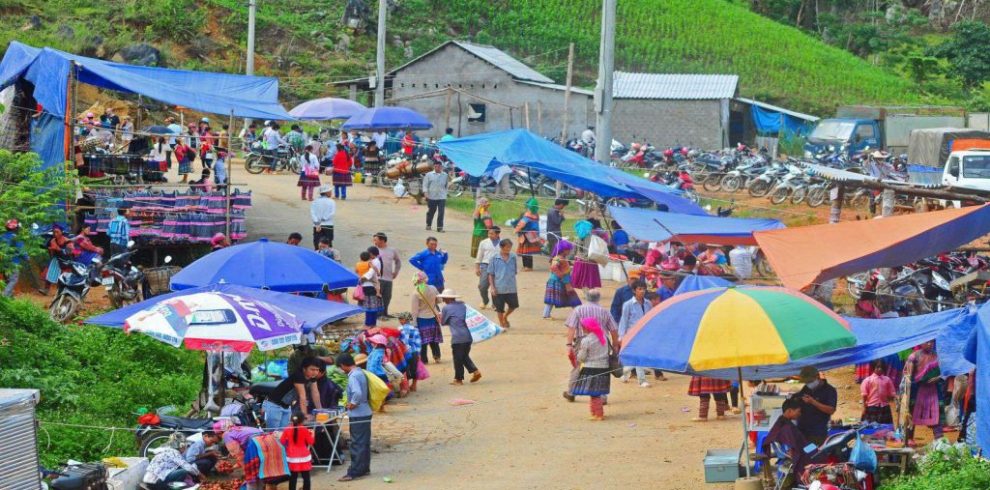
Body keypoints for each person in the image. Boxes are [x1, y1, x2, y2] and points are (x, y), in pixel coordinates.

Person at [563, 290, 619, 402]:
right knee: (602, 365)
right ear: (598, 298)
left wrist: (569, 344)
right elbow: (613, 329)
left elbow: (572, 328)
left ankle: (571, 392)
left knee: (578, 366)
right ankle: (602, 396)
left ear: (586, 297)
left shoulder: (578, 310)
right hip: (602, 341)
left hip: (582, 339)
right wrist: (615, 345)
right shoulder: (604, 311)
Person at [336, 353, 372, 482]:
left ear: (343, 365)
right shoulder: (360, 372)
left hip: (358, 413)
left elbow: (357, 392)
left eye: (340, 368)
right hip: (365, 411)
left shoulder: (353, 376)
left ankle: (354, 472)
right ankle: (364, 468)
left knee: (357, 443)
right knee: (364, 442)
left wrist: (352, 403)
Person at [264, 357, 323, 430]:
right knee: (272, 434)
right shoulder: (298, 376)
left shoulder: (312, 377)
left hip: (286, 406)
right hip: (274, 405)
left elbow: (315, 393)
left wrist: (320, 411)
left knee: (284, 434)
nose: (315, 372)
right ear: (304, 369)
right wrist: (304, 416)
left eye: (317, 370)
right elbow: (302, 396)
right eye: (312, 369)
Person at [760, 398, 810, 482]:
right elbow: (791, 450)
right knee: (820, 452)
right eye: (798, 411)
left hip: (801, 449)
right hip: (800, 452)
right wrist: (812, 448)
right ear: (790, 411)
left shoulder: (782, 422)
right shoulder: (786, 427)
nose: (800, 414)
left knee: (817, 447)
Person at [439, 288, 481, 385]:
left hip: (458, 338)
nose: (443, 301)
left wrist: (439, 317)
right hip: (468, 336)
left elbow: (443, 322)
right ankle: (475, 371)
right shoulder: (463, 305)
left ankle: (458, 379)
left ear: (447, 299)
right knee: (464, 356)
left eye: (444, 299)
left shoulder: (446, 308)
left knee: (458, 359)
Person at [904, 340, 944, 442]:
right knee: (911, 413)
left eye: (931, 342)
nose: (930, 344)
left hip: (934, 390)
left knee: (937, 414)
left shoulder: (938, 356)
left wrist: (938, 378)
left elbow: (944, 372)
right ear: (921, 342)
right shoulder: (913, 357)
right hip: (917, 391)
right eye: (927, 342)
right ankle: (909, 439)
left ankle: (939, 440)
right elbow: (907, 375)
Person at [572, 317, 611, 421]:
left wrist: (577, 354)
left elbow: (581, 357)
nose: (582, 328)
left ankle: (598, 414)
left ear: (587, 328)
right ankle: (597, 412)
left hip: (591, 368)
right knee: (597, 392)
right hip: (604, 368)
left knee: (593, 393)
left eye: (583, 327)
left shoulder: (586, 340)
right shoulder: (604, 337)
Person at [618, 280, 653, 387]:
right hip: (632, 334)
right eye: (639, 289)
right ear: (634, 291)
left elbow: (650, 318)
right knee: (638, 356)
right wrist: (621, 336)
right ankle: (642, 380)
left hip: (645, 334)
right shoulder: (628, 305)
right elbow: (624, 320)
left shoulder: (648, 303)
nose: (642, 291)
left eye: (644, 289)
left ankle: (624, 373)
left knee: (636, 357)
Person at [795, 366, 837, 445]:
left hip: (817, 433)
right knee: (803, 452)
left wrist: (813, 402)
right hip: (802, 430)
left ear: (817, 377)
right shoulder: (806, 388)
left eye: (809, 381)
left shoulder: (830, 390)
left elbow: (831, 410)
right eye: (806, 382)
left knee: (813, 452)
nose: (808, 384)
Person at [543, 239, 581, 319]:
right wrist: (561, 275)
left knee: (570, 297)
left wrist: (568, 269)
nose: (569, 252)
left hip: (562, 282)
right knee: (571, 297)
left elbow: (563, 267)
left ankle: (579, 313)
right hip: (558, 282)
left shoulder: (561, 258)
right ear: (563, 250)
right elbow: (553, 267)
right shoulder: (558, 258)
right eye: (568, 250)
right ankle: (580, 313)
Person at [486, 238, 519, 329]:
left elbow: (515, 271)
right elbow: (490, 274)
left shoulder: (512, 257)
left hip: (511, 287)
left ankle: (505, 317)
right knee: (499, 308)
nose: (508, 249)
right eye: (507, 247)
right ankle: (501, 324)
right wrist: (492, 287)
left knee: (513, 305)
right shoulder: (494, 258)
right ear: (501, 247)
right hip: (498, 287)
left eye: (510, 247)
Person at [411, 271, 443, 364]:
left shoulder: (416, 293)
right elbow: (440, 300)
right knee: (434, 339)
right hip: (433, 316)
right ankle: (437, 356)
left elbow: (414, 310)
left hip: (422, 318)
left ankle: (424, 359)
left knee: (423, 341)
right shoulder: (433, 288)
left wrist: (414, 322)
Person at [280, 413, 314, 490]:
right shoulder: (304, 429)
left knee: (293, 477)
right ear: (302, 421)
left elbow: (282, 441)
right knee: (306, 476)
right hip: (304, 456)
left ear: (291, 420)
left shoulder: (287, 429)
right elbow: (311, 442)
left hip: (292, 456)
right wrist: (312, 434)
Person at [372, 232, 402, 318]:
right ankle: (377, 315)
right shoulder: (373, 250)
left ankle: (385, 313)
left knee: (387, 297)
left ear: (382, 240)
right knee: (377, 296)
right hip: (377, 278)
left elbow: (398, 262)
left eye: (376, 240)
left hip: (388, 278)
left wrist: (396, 272)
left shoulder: (392, 250)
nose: (374, 242)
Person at [861, 359, 896, 424]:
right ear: (873, 367)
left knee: (885, 428)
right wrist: (864, 407)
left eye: (882, 367)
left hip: (884, 407)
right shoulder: (868, 380)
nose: (880, 369)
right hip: (872, 407)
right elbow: (864, 395)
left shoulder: (887, 380)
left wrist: (892, 398)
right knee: (871, 428)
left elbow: (891, 393)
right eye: (877, 367)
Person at [475, 226, 501, 310]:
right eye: (489, 233)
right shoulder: (484, 242)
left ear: (497, 234)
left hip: (499, 266)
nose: (489, 235)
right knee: (482, 286)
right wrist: (477, 267)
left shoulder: (502, 243)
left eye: (492, 233)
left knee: (497, 286)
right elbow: (479, 255)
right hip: (486, 265)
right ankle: (485, 300)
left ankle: (495, 304)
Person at [514, 197, 543, 271]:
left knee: (526, 252)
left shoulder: (527, 216)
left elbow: (521, 224)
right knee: (527, 252)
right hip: (533, 235)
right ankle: (527, 266)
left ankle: (528, 267)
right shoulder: (536, 215)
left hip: (526, 236)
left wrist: (516, 230)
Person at [572, 220, 602, 289]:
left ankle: (585, 290)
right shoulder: (593, 238)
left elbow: (573, 251)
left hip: (580, 261)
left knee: (582, 279)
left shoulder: (577, 239)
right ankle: (590, 290)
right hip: (591, 261)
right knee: (590, 278)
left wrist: (571, 259)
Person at [355, 251, 382, 326]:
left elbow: (356, 272)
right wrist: (378, 273)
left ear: (360, 258)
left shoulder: (358, 264)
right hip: (371, 286)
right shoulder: (370, 264)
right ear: (369, 258)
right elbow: (373, 272)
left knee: (368, 307)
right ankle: (371, 324)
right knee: (372, 307)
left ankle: (368, 323)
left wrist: (360, 277)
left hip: (363, 286)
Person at [2, 219, 26, 297]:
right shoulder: (16, 238)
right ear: (15, 228)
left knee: (7, 281)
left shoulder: (1, 237)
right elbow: (21, 250)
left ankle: (10, 300)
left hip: (3, 263)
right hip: (13, 263)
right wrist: (27, 257)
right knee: (13, 280)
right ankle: (4, 297)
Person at [422, 160, 449, 232]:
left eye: (439, 167)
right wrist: (425, 194)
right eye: (436, 166)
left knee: (441, 212)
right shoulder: (429, 175)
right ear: (434, 167)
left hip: (442, 197)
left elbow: (446, 185)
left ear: (441, 167)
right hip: (432, 196)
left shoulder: (445, 175)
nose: (437, 168)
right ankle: (428, 224)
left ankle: (440, 227)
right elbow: (425, 185)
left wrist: (445, 193)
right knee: (431, 211)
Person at [310, 184, 336, 250]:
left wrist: (317, 222)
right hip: (328, 225)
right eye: (330, 191)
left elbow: (313, 213)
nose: (331, 193)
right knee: (328, 242)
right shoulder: (331, 202)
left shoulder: (315, 201)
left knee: (317, 242)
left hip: (317, 225)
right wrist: (324, 218)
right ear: (326, 192)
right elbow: (332, 213)